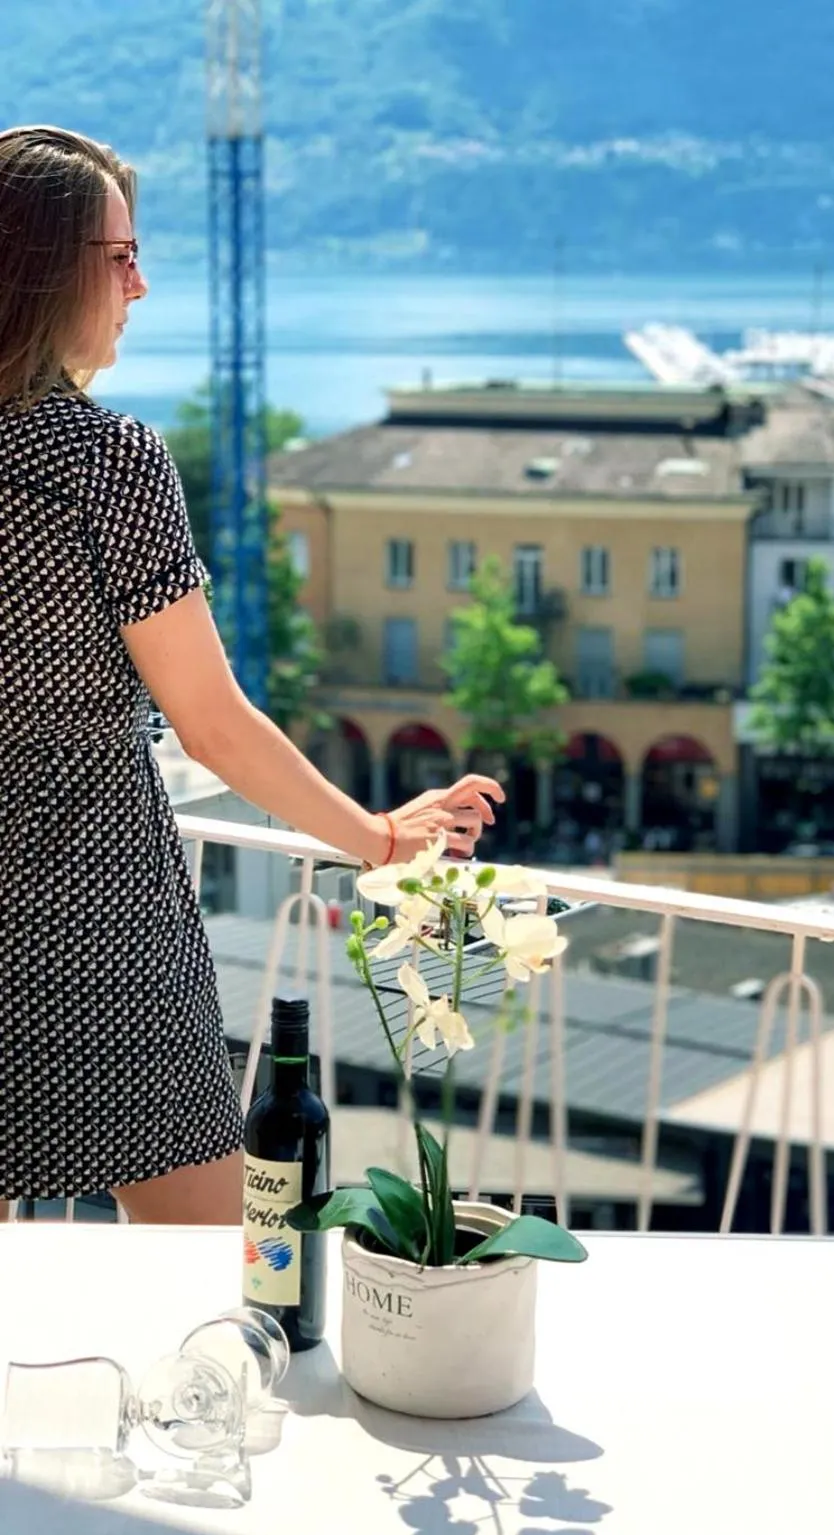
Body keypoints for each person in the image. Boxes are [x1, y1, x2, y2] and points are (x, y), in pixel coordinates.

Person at [0, 126, 504, 1226]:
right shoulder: (103, 462)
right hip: (91, 917)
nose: (142, 281)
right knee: (217, 1267)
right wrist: (379, 836)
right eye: (120, 253)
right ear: (41, 265)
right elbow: (213, 723)